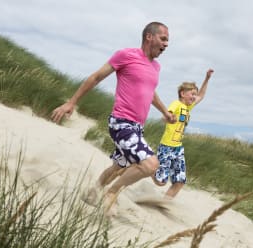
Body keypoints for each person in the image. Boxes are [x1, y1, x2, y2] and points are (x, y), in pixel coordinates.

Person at [51, 22, 176, 215]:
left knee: (118, 168)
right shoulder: (126, 55)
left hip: (137, 128)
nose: (166, 44)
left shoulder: (156, 67)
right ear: (149, 37)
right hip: (121, 123)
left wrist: (164, 112)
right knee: (150, 165)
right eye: (164, 38)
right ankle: (112, 193)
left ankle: (91, 193)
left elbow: (150, 92)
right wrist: (71, 102)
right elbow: (96, 77)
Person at [152, 69, 214, 199]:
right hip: (166, 147)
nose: (194, 97)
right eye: (192, 94)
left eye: (194, 94)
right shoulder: (177, 104)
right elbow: (167, 114)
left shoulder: (188, 107)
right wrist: (167, 118)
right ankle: (147, 168)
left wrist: (207, 79)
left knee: (180, 181)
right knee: (160, 182)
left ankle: (163, 203)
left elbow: (201, 96)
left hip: (178, 149)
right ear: (182, 93)